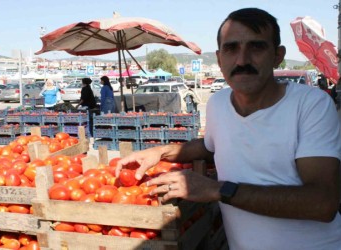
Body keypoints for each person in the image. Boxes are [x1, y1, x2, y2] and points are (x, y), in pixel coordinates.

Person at [116, 8, 341, 250]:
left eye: (256, 47)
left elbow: (323, 203)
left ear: (278, 56)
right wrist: (161, 152)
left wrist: (217, 190)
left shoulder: (311, 104)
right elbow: (209, 146)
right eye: (231, 48)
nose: (242, 60)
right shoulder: (218, 103)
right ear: (220, 58)